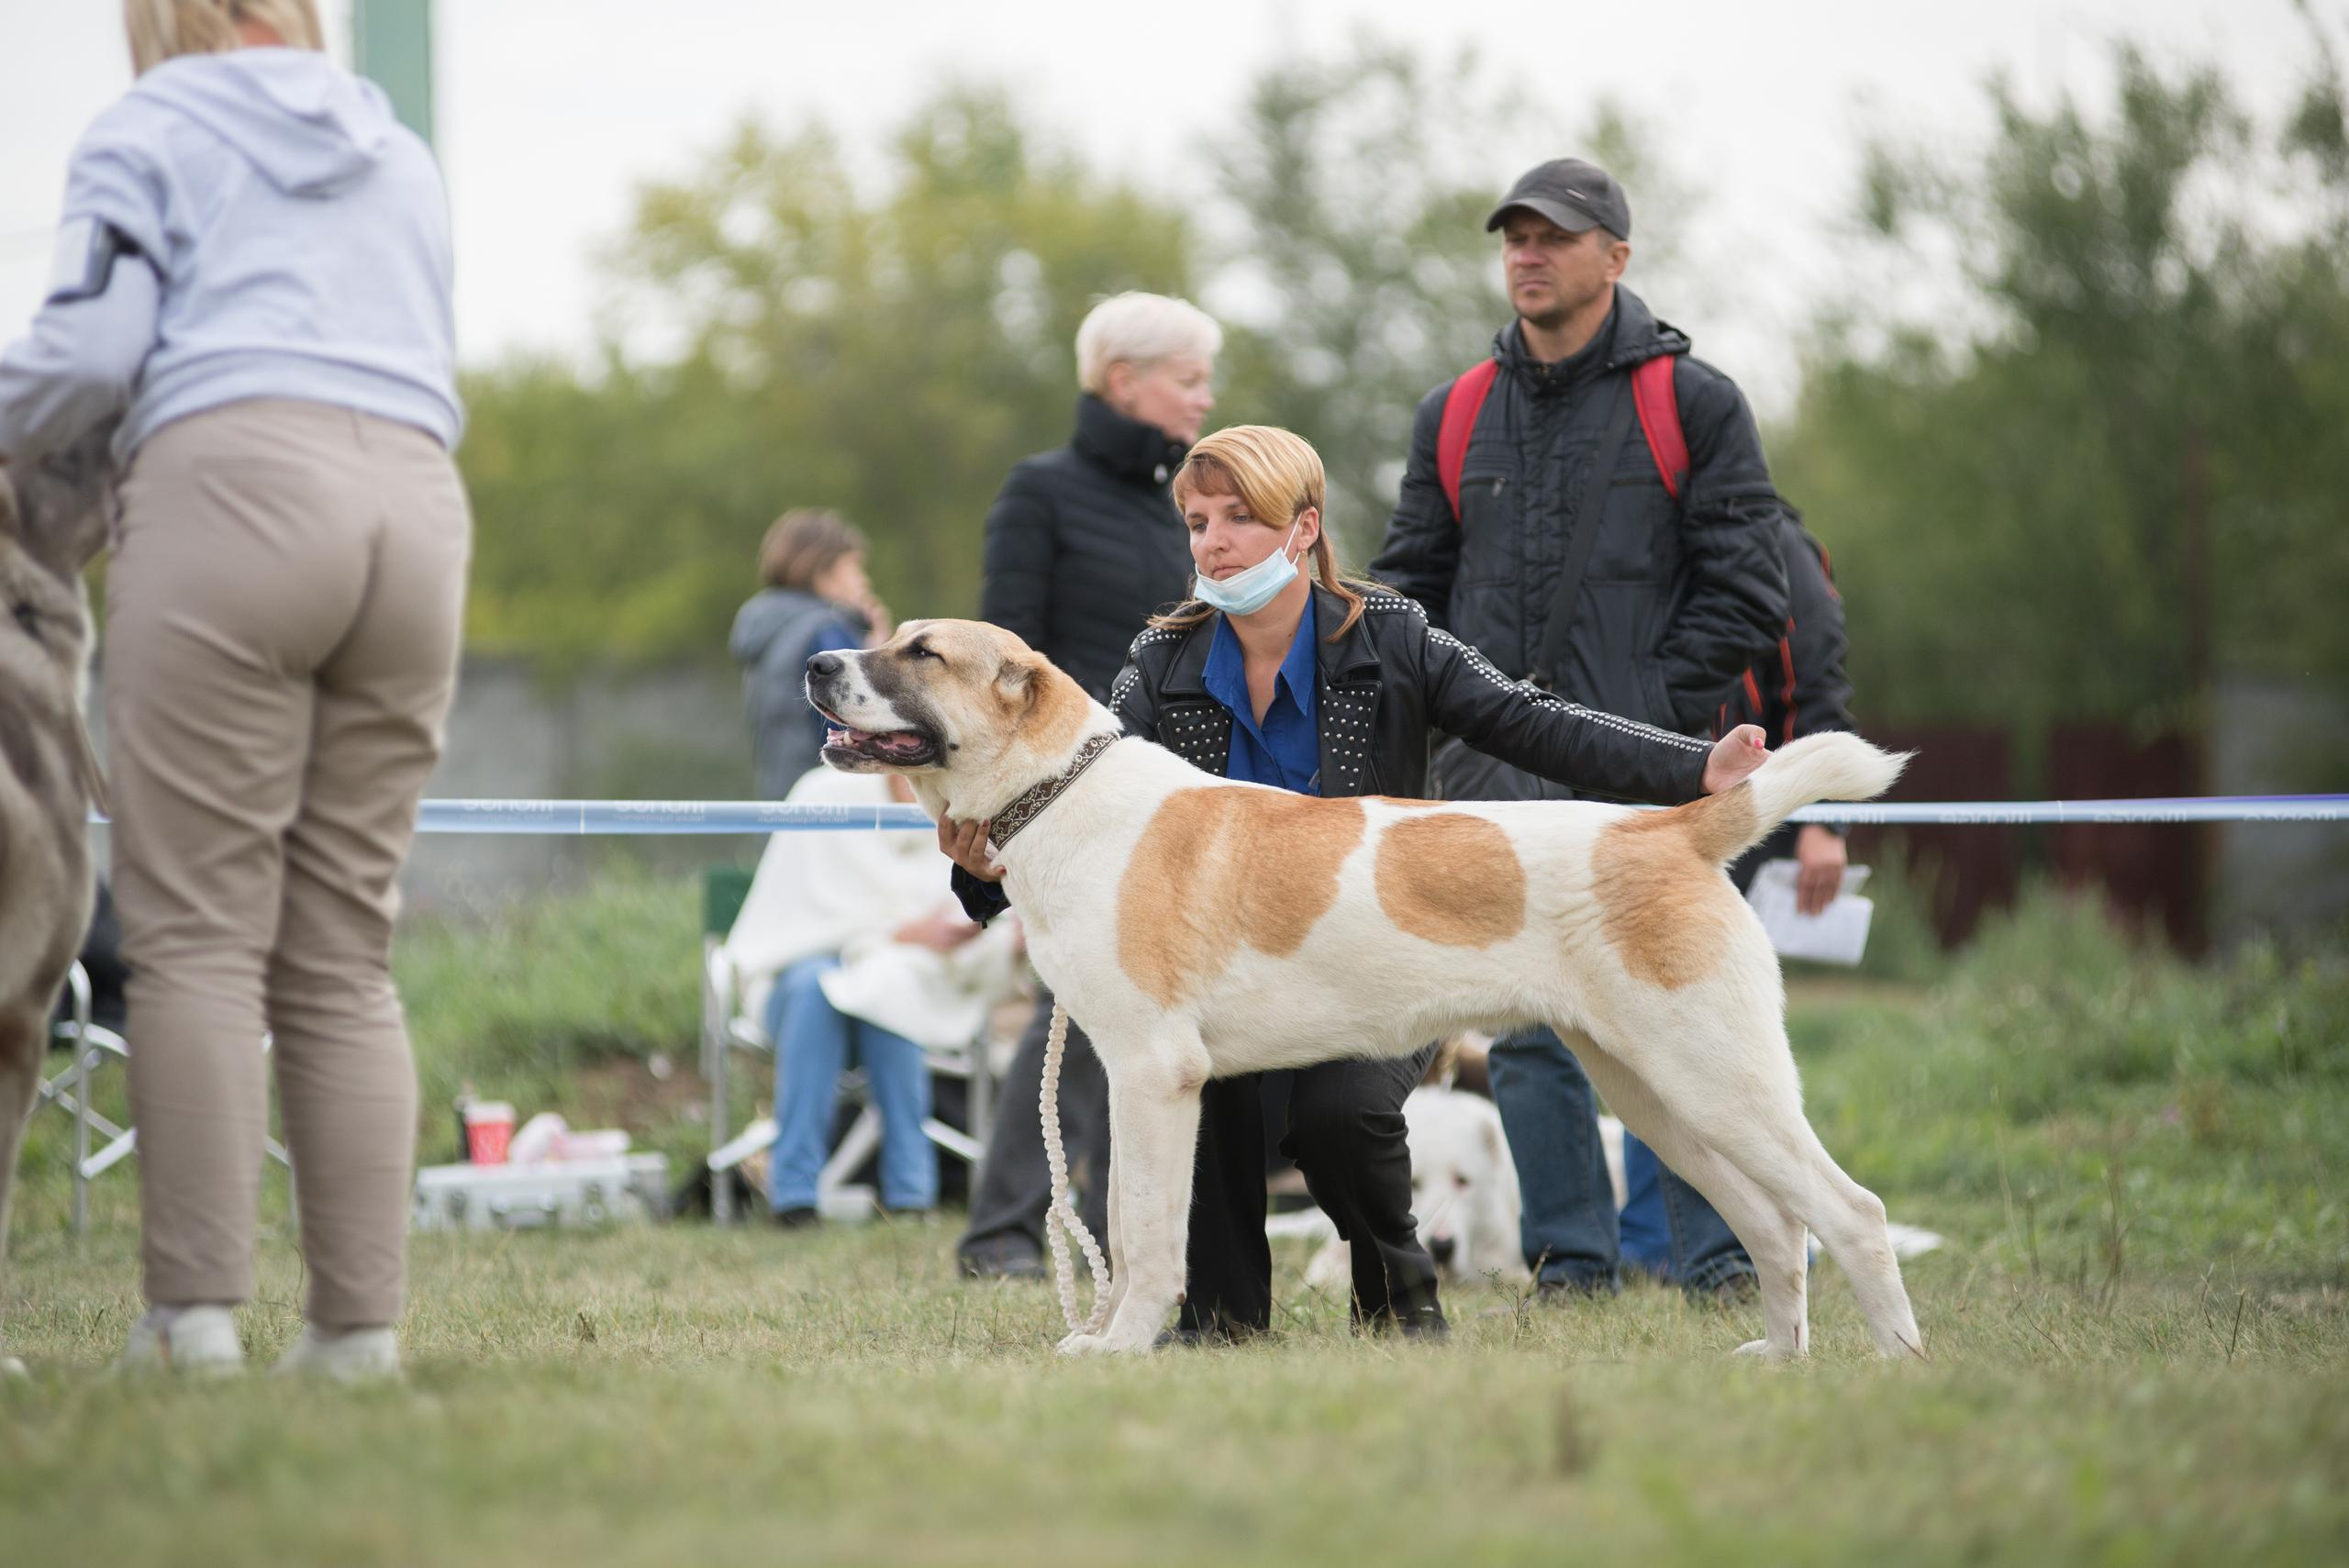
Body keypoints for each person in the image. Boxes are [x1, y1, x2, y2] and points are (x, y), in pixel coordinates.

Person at [943, 425, 1769, 1340]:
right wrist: (980, 871)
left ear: (1301, 529)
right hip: (1226, 971)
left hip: (1377, 962)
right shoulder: (1161, 658)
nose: (1209, 541)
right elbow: (1074, 804)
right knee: (1190, 1080)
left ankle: (1398, 1305)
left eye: (1237, 519)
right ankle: (1216, 1321)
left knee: (1337, 1108)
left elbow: (1525, 721)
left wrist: (1692, 768)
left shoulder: (1391, 635)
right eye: (1195, 520)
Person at [0, 0, 468, 1379]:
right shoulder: (399, 149)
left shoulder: (151, 123)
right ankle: (355, 1337)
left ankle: (194, 1321)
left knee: (197, 933)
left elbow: (90, 353)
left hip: (233, 482)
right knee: (343, 946)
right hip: (420, 510)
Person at [1369, 157, 1790, 1303]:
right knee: (1521, 1031)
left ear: (1615, 254)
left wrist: (1643, 712)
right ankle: (1572, 1267)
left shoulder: (1691, 402)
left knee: (1680, 1024)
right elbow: (1401, 594)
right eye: (1512, 236)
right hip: (1488, 778)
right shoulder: (1452, 413)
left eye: (1553, 235)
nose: (1527, 254)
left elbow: (1753, 592)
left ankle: (1722, 1262)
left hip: (1643, 777)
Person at [955, 292, 1220, 1280]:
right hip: (1063, 802)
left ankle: (1122, 1235)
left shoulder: (1184, 503)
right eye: (1189, 378)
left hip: (1170, 798)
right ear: (1125, 380)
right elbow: (992, 661)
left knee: (1138, 1022)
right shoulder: (1040, 492)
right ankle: (1000, 1234)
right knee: (1065, 1012)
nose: (1203, 398)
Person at [1619, 510, 1854, 1277]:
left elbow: (1815, 679)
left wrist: (1821, 823)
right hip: (1644, 802)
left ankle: (1738, 1250)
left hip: (1737, 813)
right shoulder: (1639, 532)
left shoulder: (1778, 542)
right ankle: (1656, 1245)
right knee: (1638, 1028)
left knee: (1711, 1043)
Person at [720, 766, 1022, 1226]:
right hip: (803, 987)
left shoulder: (962, 801)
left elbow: (979, 917)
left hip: (911, 986)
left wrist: (967, 936)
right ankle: (798, 1195)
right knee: (815, 988)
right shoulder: (823, 795)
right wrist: (894, 932)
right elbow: (791, 921)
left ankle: (909, 1195)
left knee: (886, 987)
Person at [732, 509, 893, 801]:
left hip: (782, 796)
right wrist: (879, 657)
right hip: (833, 801)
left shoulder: (770, 629)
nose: (863, 581)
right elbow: (856, 731)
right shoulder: (827, 631)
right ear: (824, 572)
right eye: (854, 567)